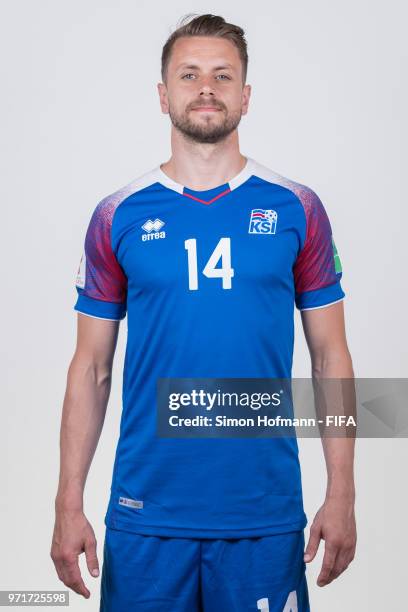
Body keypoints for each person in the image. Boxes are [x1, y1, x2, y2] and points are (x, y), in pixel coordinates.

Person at [50, 13, 357, 612]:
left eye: (223, 74)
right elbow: (90, 369)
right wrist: (68, 503)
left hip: (263, 515)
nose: (206, 88)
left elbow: (331, 357)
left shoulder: (298, 208)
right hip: (146, 514)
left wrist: (342, 491)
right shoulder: (118, 214)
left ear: (246, 94)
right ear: (164, 95)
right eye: (189, 75)